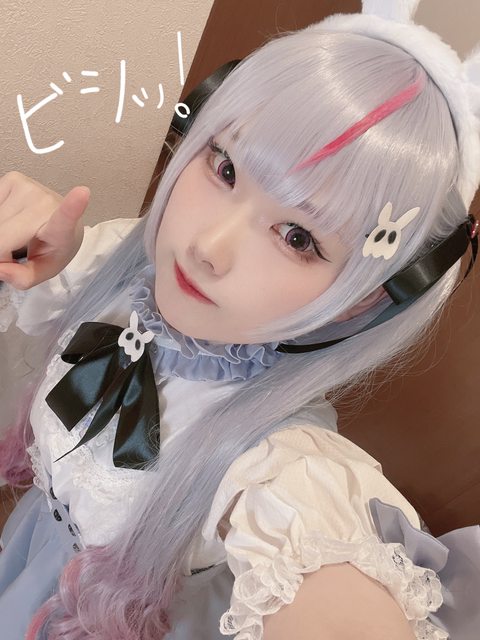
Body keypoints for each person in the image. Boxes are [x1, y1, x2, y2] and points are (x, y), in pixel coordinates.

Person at [0, 1, 479, 638]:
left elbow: (328, 581)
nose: (208, 246)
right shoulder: (124, 269)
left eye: (298, 237)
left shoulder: (281, 468)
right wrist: (37, 254)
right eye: (225, 167)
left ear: (367, 298)